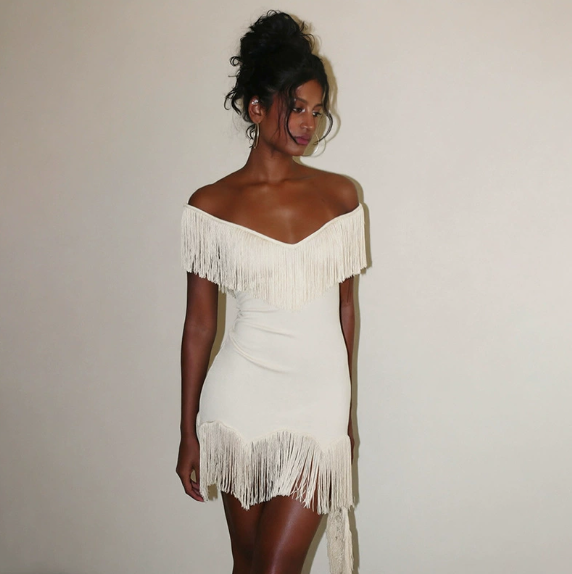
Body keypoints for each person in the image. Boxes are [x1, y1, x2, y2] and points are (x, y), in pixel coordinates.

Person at [177, 11, 368, 574]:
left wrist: (347, 412)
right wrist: (187, 431)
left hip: (318, 400)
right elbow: (199, 326)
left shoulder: (341, 197)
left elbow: (346, 310)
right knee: (249, 565)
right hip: (239, 400)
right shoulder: (210, 206)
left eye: (317, 111)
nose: (309, 124)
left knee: (274, 568)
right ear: (256, 108)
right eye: (297, 107)